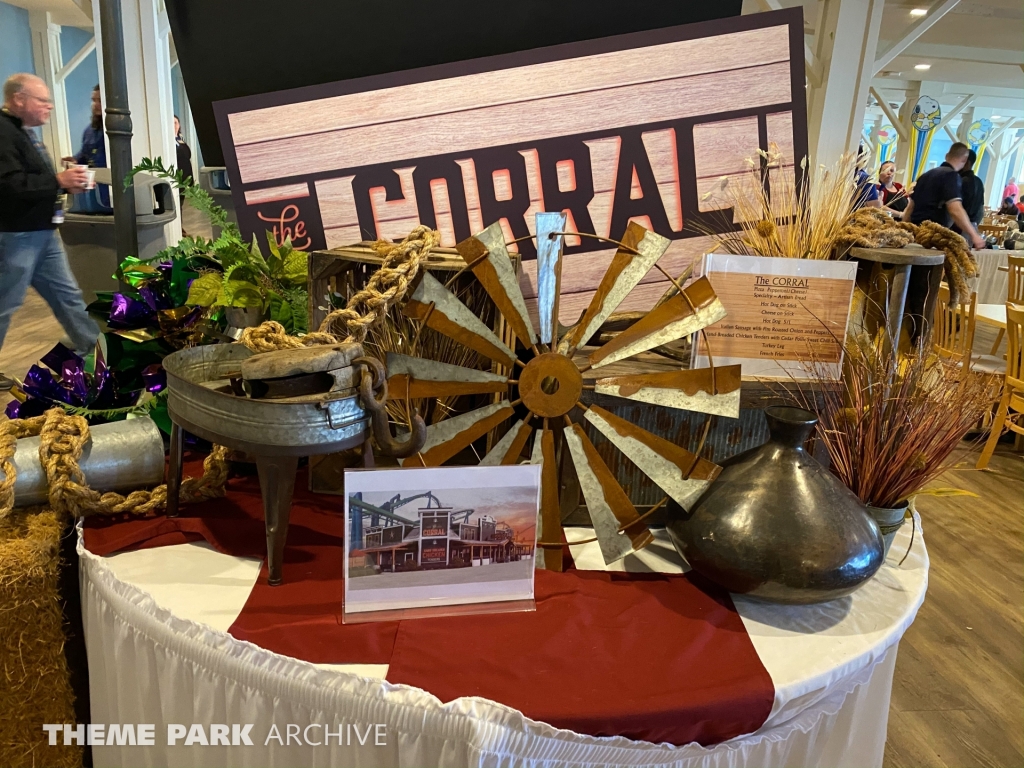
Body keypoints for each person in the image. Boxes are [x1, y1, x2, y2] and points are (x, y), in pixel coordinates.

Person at [0, 73, 100, 391]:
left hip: (42, 233)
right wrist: (58, 180)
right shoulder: (3, 133)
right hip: (17, 235)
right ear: (19, 99)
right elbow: (9, 186)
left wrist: (68, 181)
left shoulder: (24, 132)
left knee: (68, 296)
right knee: (5, 304)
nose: (50, 106)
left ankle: (93, 353)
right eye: (42, 100)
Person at [902, 142, 985, 249]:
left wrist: (903, 231)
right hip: (933, 237)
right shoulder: (952, 176)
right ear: (964, 161)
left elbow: (910, 208)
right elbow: (955, 209)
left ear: (946, 156)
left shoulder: (925, 175)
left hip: (915, 234)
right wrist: (974, 235)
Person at [62, 84, 105, 169]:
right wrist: (74, 161)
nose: (95, 105)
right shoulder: (89, 131)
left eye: (100, 100)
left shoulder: (118, 130)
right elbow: (84, 155)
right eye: (93, 100)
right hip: (94, 180)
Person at [956, 149, 985, 240]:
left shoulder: (959, 180)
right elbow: (981, 210)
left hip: (956, 227)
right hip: (972, 226)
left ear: (967, 162)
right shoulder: (979, 182)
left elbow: (953, 208)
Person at [854, 145, 881, 210]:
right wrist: (880, 199)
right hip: (856, 217)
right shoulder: (865, 178)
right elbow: (873, 207)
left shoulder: (843, 173)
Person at [174, 115, 193, 186]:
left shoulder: (180, 139)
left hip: (187, 171)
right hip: (178, 173)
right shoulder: (169, 141)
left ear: (179, 125)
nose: (174, 125)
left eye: (176, 123)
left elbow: (188, 154)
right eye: (172, 123)